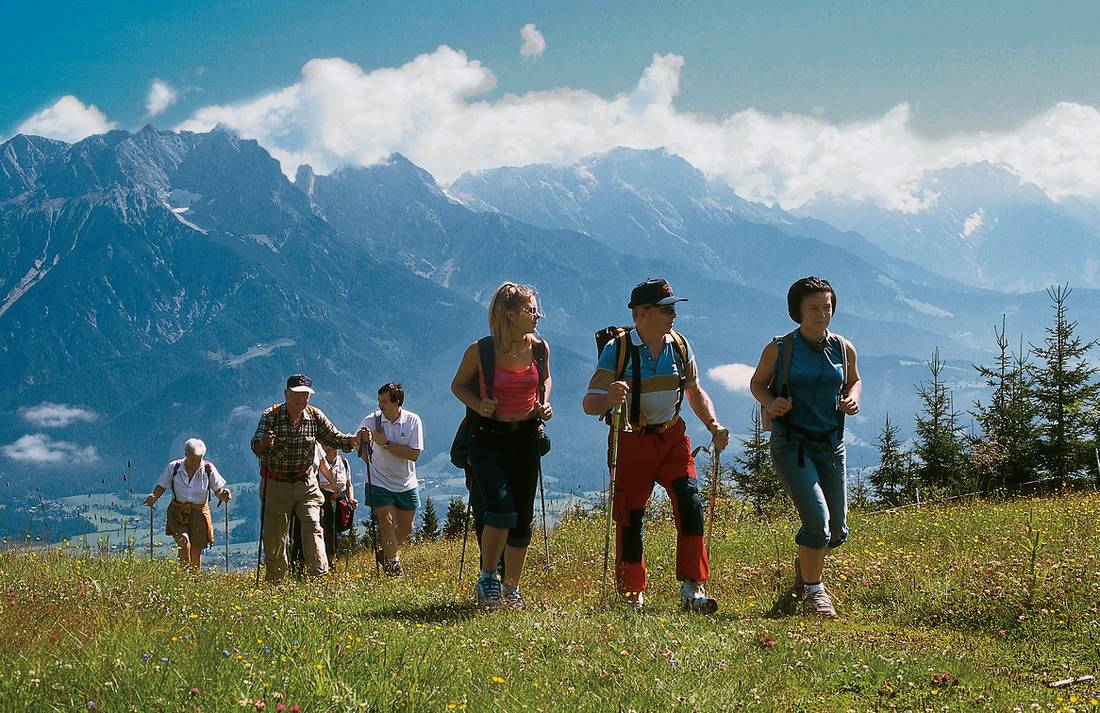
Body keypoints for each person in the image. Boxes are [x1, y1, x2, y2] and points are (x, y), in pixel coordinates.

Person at [582, 278, 729, 612]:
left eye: (673, 308)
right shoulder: (617, 349)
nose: (673, 314)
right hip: (632, 440)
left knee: (690, 504)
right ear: (640, 314)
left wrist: (713, 424)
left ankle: (693, 587)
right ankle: (632, 593)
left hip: (673, 436)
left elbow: (694, 390)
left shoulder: (679, 345)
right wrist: (609, 397)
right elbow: (589, 402)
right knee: (631, 514)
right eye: (665, 309)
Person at [749, 276, 861, 618]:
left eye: (827, 306)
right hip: (791, 444)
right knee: (817, 520)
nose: (822, 314)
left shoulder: (843, 347)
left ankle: (803, 579)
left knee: (837, 531)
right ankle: (815, 593)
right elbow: (757, 384)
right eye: (813, 308)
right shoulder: (780, 349)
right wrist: (771, 403)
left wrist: (852, 400)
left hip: (831, 445)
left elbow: (854, 380)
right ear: (796, 311)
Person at [451, 282, 553, 609]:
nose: (538, 315)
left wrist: (543, 402)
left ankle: (512, 588)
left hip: (525, 435)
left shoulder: (539, 348)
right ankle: (488, 577)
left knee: (522, 519)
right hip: (487, 439)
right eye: (530, 309)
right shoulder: (480, 351)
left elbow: (545, 379)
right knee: (499, 509)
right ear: (509, 315)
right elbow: (458, 386)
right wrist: (479, 404)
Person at [251, 374, 365, 583]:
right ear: (286, 394)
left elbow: (334, 438)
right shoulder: (271, 415)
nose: (301, 399)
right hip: (276, 484)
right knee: (275, 536)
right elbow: (256, 445)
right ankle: (276, 581)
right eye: (297, 394)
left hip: (306, 483)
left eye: (305, 395)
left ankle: (319, 578)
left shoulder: (314, 416)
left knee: (313, 525)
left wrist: (355, 440)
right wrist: (263, 443)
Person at [358, 383, 424, 577]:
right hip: (379, 480)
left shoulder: (412, 421)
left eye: (384, 401)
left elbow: (413, 454)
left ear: (397, 402)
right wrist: (363, 441)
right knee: (386, 522)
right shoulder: (371, 420)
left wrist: (385, 443)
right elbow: (360, 451)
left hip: (406, 481)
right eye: (379, 401)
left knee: (406, 527)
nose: (380, 405)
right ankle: (394, 565)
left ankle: (385, 554)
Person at [145, 438, 231, 568]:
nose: (196, 463)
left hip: (199, 512)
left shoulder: (208, 469)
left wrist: (224, 495)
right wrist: (154, 497)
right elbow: (161, 485)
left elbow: (218, 491)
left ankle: (193, 579)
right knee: (184, 542)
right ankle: (184, 576)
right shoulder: (174, 467)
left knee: (196, 551)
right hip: (177, 511)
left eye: (199, 459)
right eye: (193, 459)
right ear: (186, 455)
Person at [288, 443, 356, 572]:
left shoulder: (344, 462)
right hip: (320, 498)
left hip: (338, 499)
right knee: (317, 528)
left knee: (331, 531)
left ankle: (330, 560)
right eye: (329, 446)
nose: (332, 450)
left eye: (335, 447)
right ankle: (305, 562)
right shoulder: (318, 463)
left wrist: (351, 498)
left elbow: (348, 484)